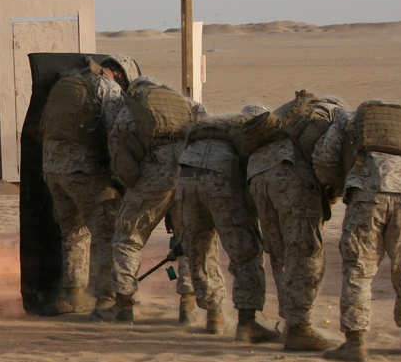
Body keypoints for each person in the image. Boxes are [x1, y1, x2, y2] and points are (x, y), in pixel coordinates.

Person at [312, 100, 401, 362]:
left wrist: (335, 187)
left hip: (367, 195)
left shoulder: (347, 121)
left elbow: (324, 161)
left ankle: (355, 342)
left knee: (358, 269)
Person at [39, 55, 140, 317]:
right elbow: (116, 133)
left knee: (73, 233)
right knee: (107, 234)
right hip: (84, 170)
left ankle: (73, 295)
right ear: (119, 74)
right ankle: (104, 301)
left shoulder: (66, 83)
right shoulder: (107, 87)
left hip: (52, 170)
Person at [245, 93, 344, 352]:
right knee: (307, 252)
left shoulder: (289, 113)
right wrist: (331, 196)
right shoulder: (336, 115)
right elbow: (328, 160)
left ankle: (291, 322)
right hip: (292, 173)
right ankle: (300, 328)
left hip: (257, 174)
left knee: (280, 253)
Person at [175, 110, 280, 341]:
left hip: (186, 176)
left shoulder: (212, 126)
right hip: (221, 179)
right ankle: (247, 323)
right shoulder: (251, 132)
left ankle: (214, 315)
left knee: (199, 248)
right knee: (245, 251)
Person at [108, 76, 200, 324]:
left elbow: (117, 148)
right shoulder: (183, 103)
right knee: (188, 240)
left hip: (151, 181)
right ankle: (188, 306)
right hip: (188, 176)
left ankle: (123, 304)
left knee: (127, 239)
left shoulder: (131, 108)